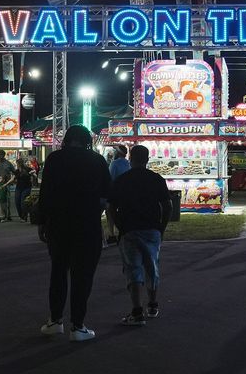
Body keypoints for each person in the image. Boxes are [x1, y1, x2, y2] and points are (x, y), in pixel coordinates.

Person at [38, 125, 111, 342]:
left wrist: (42, 223)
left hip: (58, 224)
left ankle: (55, 320)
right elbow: (107, 196)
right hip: (87, 224)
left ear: (67, 140)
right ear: (87, 140)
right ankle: (78, 326)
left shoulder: (54, 160)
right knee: (83, 276)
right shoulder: (97, 161)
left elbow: (45, 194)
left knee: (58, 271)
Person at [108, 145, 172, 326]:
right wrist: (161, 228)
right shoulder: (156, 179)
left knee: (133, 268)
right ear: (147, 159)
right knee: (152, 266)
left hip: (129, 229)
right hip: (152, 229)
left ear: (130, 159)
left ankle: (137, 311)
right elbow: (168, 206)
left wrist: (120, 226)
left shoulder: (122, 180)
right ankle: (152, 305)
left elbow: (112, 207)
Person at [106, 145, 132, 244]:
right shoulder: (128, 163)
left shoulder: (115, 163)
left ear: (118, 153)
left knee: (110, 211)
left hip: (116, 192)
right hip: (127, 192)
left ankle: (111, 234)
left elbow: (111, 178)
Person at [0, 150, 15, 222]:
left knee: (7, 200)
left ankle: (8, 215)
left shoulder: (8, 163)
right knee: (0, 200)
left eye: (0, 154)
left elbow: (14, 172)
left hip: (7, 184)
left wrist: (12, 180)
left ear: (3, 155)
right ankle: (2, 216)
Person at [14, 158, 34, 222]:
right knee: (17, 202)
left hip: (26, 187)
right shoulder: (17, 171)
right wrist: (6, 184)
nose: (17, 165)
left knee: (23, 202)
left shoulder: (27, 169)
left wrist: (33, 173)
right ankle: (21, 216)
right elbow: (13, 178)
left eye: (18, 163)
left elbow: (33, 171)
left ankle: (24, 216)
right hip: (18, 188)